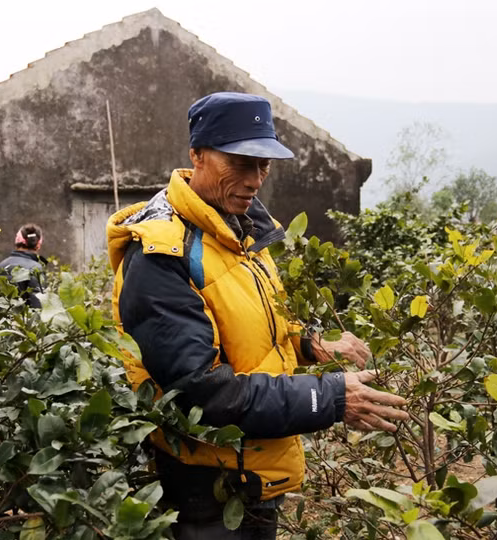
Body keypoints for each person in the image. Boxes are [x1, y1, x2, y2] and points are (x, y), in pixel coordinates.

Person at [107, 92, 409, 539]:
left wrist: (311, 345)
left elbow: (258, 322)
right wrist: (328, 398)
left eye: (263, 165)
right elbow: (199, 394)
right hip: (208, 486)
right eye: (242, 162)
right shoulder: (161, 255)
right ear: (198, 155)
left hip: (255, 470)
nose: (255, 179)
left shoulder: (240, 230)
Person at [0, 223, 47, 308]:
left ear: (17, 242)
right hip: (22, 320)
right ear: (38, 245)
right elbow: (37, 306)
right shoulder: (35, 269)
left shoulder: (0, 266)